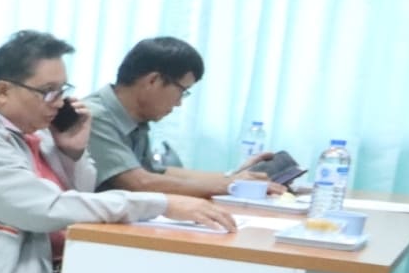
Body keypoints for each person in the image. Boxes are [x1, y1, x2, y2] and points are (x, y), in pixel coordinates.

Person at [0, 29, 237, 273]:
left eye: (62, 90)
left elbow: (82, 196)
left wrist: (72, 153)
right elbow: (50, 209)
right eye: (48, 92)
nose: (59, 102)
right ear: (3, 92)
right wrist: (162, 204)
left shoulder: (37, 133)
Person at [82, 37, 282, 197]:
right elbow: (139, 183)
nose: (179, 103)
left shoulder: (135, 118)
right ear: (153, 81)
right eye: (182, 91)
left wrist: (234, 176)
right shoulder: (93, 116)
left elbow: (157, 173)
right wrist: (231, 186)